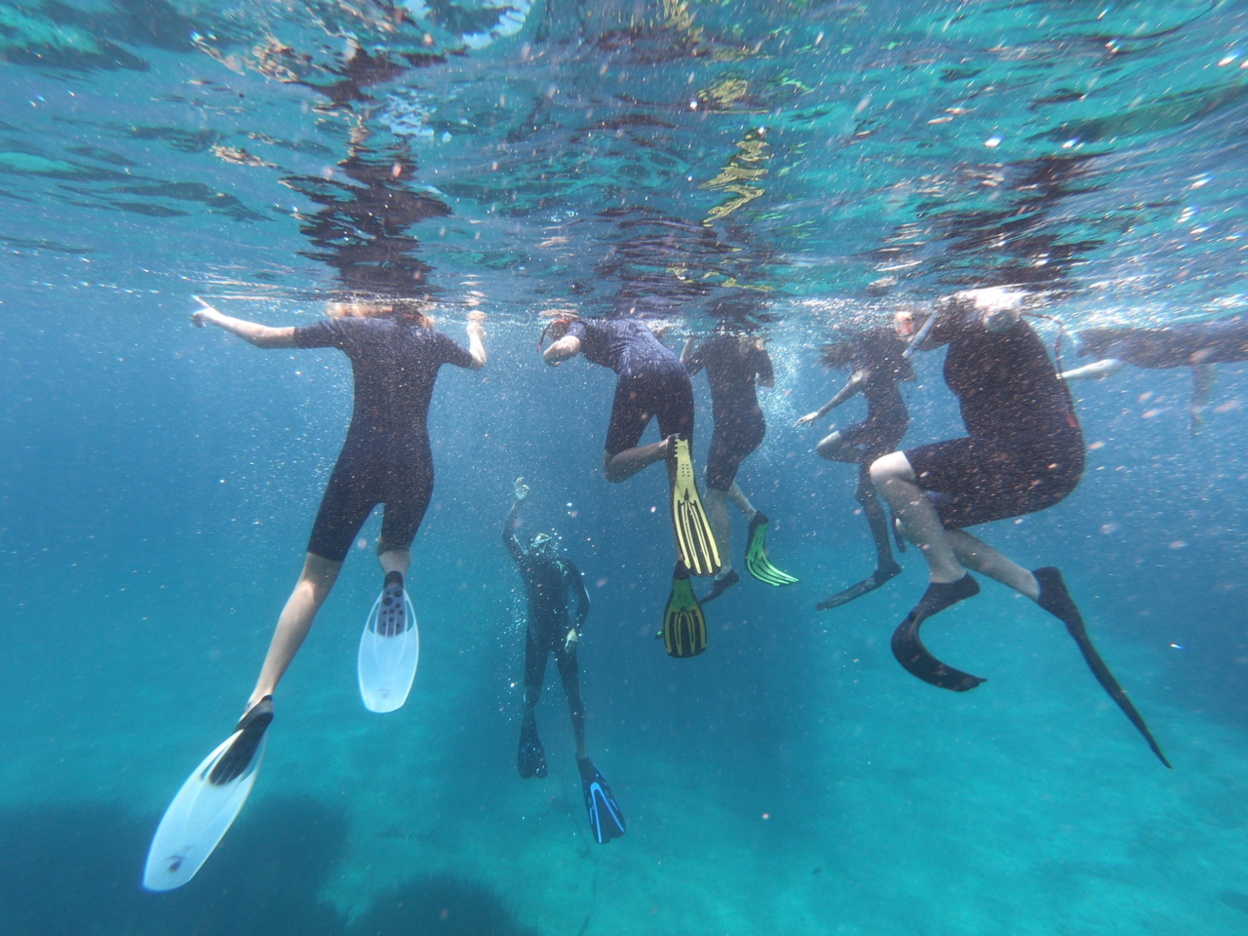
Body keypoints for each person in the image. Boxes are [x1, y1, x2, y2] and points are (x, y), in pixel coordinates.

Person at [187, 297, 487, 783]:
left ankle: (261, 694)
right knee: (396, 547)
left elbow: (266, 337)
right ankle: (393, 577)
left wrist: (217, 316)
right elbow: (478, 362)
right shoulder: (433, 341)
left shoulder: (357, 331)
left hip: (359, 461)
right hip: (415, 463)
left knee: (314, 579)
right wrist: (475, 326)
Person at [869, 287, 1169, 766]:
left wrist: (993, 304)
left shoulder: (982, 318)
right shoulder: (963, 331)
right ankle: (1038, 587)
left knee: (886, 471)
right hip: (1045, 469)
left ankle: (949, 579)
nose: (904, 330)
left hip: (1032, 459)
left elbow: (1002, 310)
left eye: (908, 320)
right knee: (915, 525)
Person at [540, 313, 720, 658]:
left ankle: (666, 446)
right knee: (679, 477)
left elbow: (569, 346)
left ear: (565, 322)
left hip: (639, 374)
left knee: (613, 468)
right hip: (677, 373)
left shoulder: (586, 324)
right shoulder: (633, 324)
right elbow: (659, 333)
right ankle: (682, 565)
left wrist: (552, 354)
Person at [503, 478, 625, 844]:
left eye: (547, 543)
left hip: (563, 635)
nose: (542, 546)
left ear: (553, 547)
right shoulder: (525, 564)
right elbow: (506, 536)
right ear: (532, 547)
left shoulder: (565, 565)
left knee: (575, 696)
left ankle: (583, 755)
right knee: (531, 693)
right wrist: (518, 503)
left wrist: (577, 631)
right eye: (538, 542)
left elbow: (585, 602)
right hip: (537, 639)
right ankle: (528, 723)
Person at [795, 325, 913, 609]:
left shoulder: (863, 338)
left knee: (864, 493)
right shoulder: (880, 345)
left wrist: (821, 411)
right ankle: (883, 474)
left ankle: (887, 564)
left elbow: (861, 378)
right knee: (826, 449)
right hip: (885, 420)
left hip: (883, 425)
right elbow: (910, 375)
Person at [681, 329, 796, 603]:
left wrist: (689, 339)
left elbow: (682, 372)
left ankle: (725, 570)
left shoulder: (710, 343)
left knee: (714, 495)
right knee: (713, 475)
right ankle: (751, 515)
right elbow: (768, 382)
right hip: (754, 426)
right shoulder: (752, 346)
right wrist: (749, 375)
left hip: (729, 429)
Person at [1060, 316, 1248, 432]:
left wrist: (1056, 377)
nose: (1088, 354)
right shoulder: (1141, 337)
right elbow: (1204, 363)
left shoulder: (1129, 339)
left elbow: (1107, 368)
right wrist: (1197, 406)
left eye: (1086, 348)